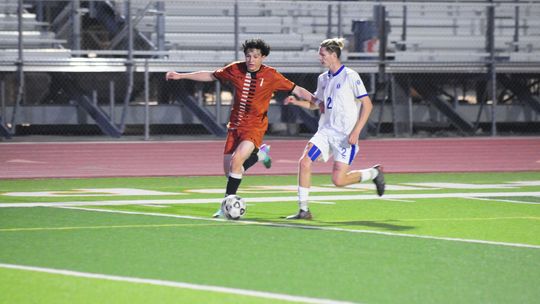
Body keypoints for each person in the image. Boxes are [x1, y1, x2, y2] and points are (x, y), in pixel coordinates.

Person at [166, 38, 315, 218]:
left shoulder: (271, 75)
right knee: (230, 171)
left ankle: (226, 206)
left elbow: (297, 90)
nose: (251, 60)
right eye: (248, 56)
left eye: (256, 56)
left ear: (263, 57)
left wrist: (317, 100)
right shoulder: (235, 69)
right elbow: (211, 75)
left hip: (255, 127)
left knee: (237, 161)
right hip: (235, 126)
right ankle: (260, 155)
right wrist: (182, 75)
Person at [283, 38, 385, 220]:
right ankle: (304, 210)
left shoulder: (350, 76)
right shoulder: (322, 79)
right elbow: (318, 105)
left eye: (322, 54)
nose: (319, 57)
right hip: (326, 132)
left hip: (346, 136)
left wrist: (356, 131)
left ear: (333, 55)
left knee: (339, 181)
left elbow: (367, 105)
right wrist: (297, 101)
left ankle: (374, 173)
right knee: (304, 161)